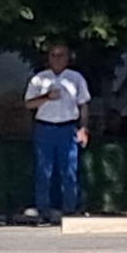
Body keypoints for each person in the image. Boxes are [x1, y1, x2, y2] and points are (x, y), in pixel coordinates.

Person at [24, 41, 91, 224]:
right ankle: (42, 210)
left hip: (67, 127)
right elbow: (29, 103)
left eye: (61, 55)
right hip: (45, 127)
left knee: (69, 170)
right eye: (53, 55)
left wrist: (83, 128)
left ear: (68, 58)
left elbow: (83, 104)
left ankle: (69, 209)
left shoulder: (76, 78)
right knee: (43, 170)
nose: (57, 59)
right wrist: (46, 97)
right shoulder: (39, 79)